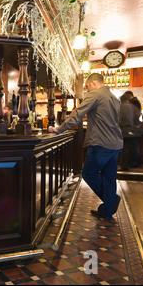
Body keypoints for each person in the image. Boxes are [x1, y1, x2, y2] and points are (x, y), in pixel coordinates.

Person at [48, 73, 123, 221]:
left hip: (101, 143)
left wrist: (59, 129)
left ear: (94, 83)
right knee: (109, 178)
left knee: (89, 174)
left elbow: (77, 114)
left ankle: (111, 201)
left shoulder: (96, 94)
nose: (87, 90)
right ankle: (107, 210)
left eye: (87, 87)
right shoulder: (114, 98)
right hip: (115, 143)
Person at [118, 93, 140, 171]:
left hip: (123, 130)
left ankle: (124, 166)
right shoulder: (133, 107)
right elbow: (138, 116)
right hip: (133, 130)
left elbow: (118, 119)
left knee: (124, 149)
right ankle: (134, 164)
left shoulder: (120, 107)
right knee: (133, 147)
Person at [123, 91, 142, 168]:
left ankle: (134, 163)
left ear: (129, 95)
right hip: (133, 127)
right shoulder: (134, 103)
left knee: (133, 146)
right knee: (133, 146)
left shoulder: (133, 103)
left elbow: (132, 116)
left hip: (131, 128)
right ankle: (134, 163)